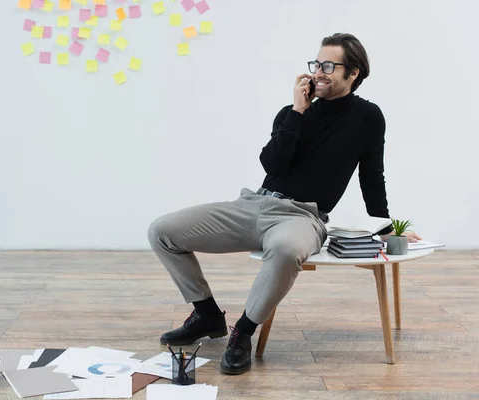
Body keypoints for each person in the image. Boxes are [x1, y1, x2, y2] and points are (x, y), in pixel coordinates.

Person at [147, 33, 421, 375]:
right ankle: (207, 315)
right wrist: (297, 111)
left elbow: (372, 176)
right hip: (253, 204)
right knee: (162, 231)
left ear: (353, 73)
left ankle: (243, 333)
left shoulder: (368, 117)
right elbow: (273, 166)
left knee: (287, 250)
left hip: (302, 217)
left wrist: (384, 227)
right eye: (316, 64)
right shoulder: (293, 113)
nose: (319, 72)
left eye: (329, 66)